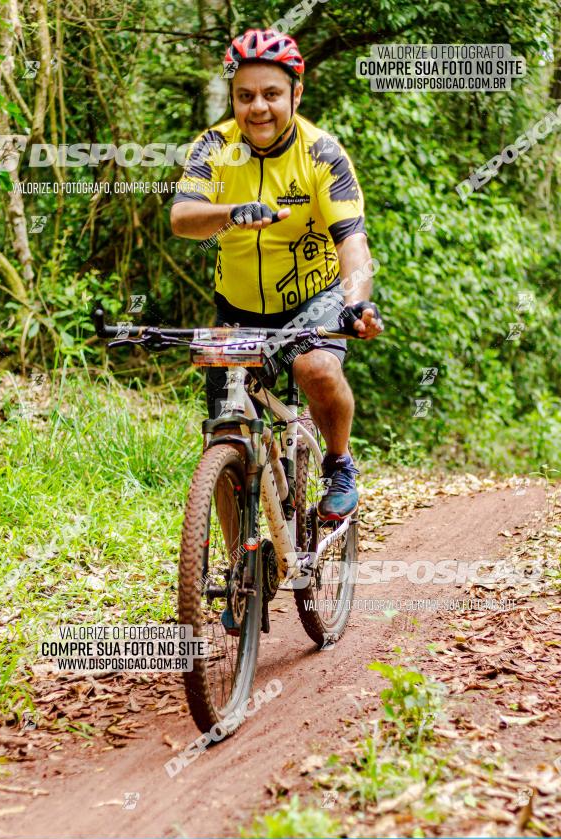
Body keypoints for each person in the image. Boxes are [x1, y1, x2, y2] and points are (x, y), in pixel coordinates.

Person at [170, 28, 383, 522]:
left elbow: (351, 239)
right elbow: (183, 218)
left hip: (314, 299)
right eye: (245, 96)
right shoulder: (214, 146)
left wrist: (358, 304)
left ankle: (338, 462)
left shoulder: (322, 154)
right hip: (238, 308)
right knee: (225, 434)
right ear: (234, 98)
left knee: (315, 368)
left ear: (295, 94)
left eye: (271, 94)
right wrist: (231, 211)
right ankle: (236, 576)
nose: (258, 108)